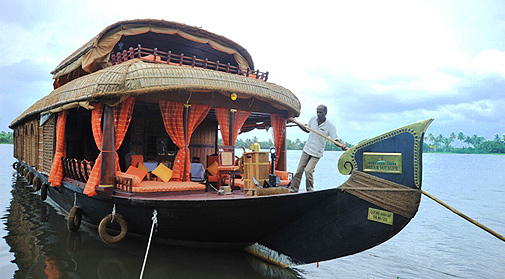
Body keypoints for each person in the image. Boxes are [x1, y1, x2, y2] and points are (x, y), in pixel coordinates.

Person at [288, 104, 347, 193]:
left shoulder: (330, 126)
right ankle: (293, 190)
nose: (318, 114)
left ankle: (310, 191)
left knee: (308, 171)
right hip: (307, 150)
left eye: (321, 112)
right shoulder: (312, 119)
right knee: (299, 171)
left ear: (325, 113)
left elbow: (335, 139)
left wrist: (342, 146)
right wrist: (296, 122)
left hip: (316, 153)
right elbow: (307, 129)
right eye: (317, 112)